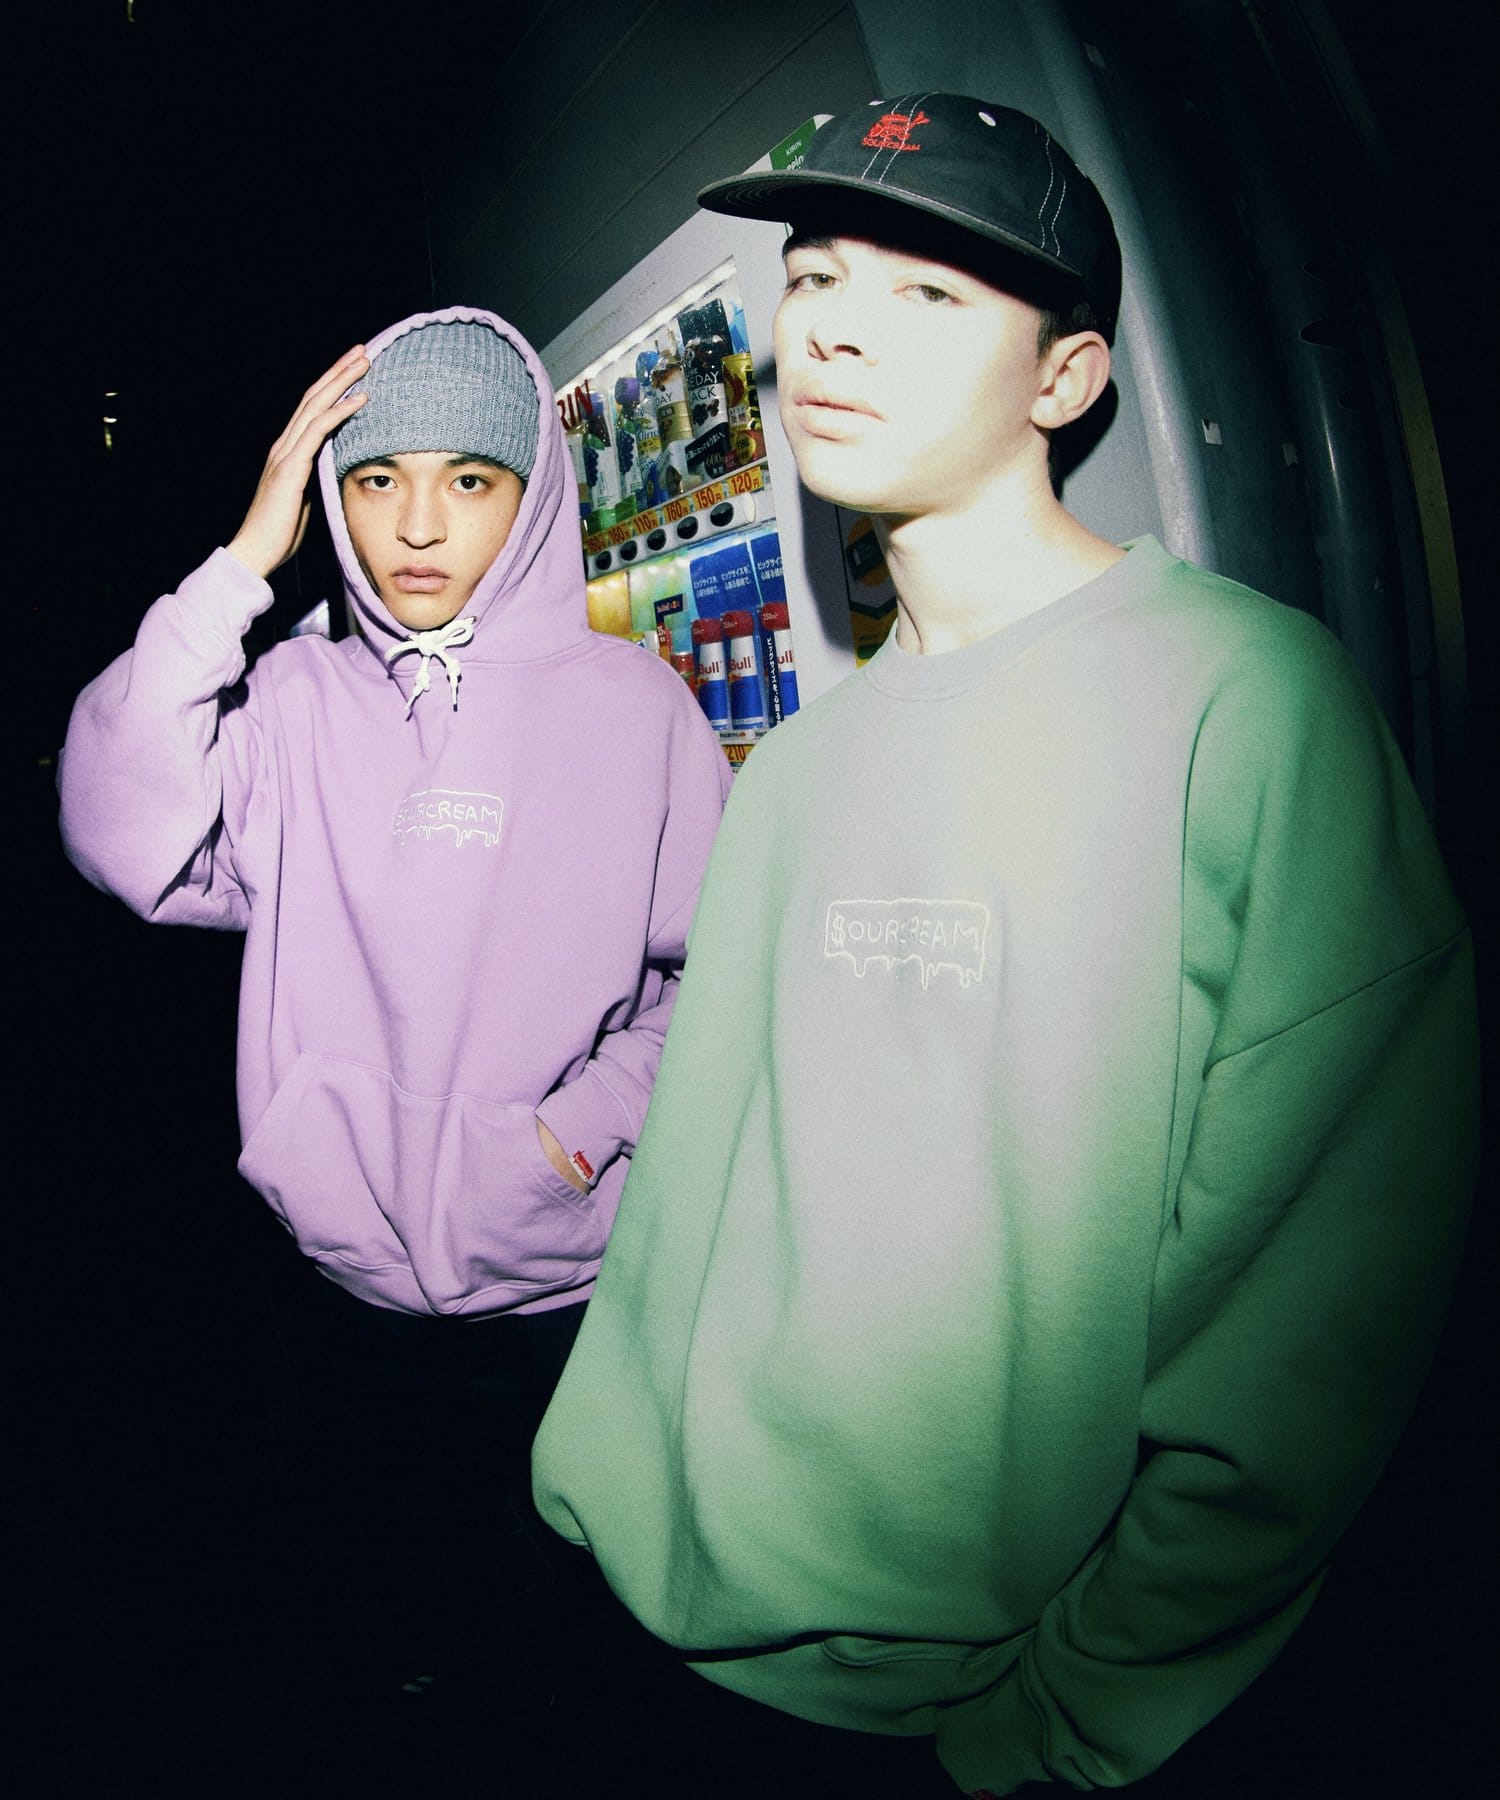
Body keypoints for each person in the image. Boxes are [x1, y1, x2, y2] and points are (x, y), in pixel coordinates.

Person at [531, 97, 1479, 1795]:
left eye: (929, 291)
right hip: (620, 1606)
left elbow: (1316, 1323)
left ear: (1066, 378)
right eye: (817, 276)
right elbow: (707, 1215)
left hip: (940, 1712)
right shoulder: (797, 763)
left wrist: (1063, 1724)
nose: (834, 327)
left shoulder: (1247, 703)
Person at [59, 307, 730, 1680]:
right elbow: (110, 828)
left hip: (560, 1279)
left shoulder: (635, 707)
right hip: (337, 1267)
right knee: (388, 1589)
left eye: (470, 480)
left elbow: (713, 982)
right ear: (329, 494)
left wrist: (574, 1133)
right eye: (375, 479)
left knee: (570, 1607)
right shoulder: (290, 698)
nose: (418, 525)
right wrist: (242, 566)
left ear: (530, 493)